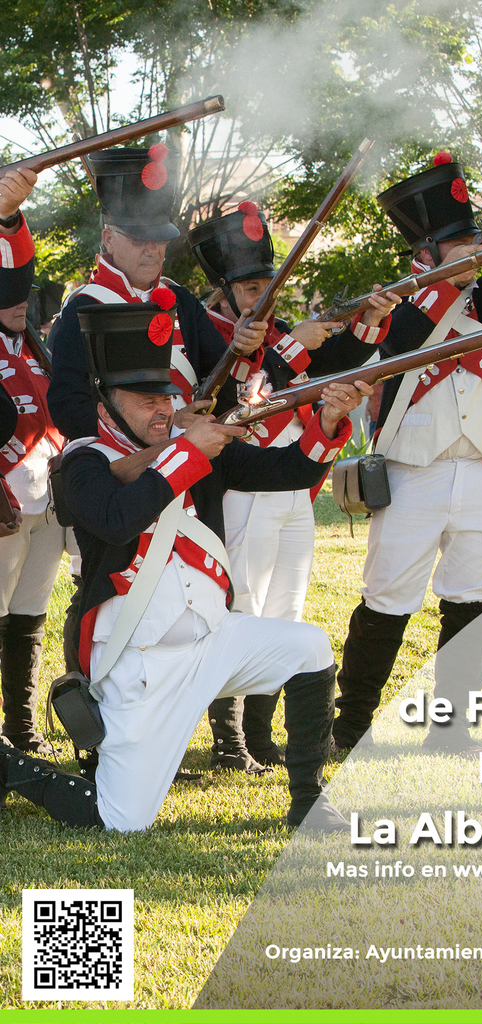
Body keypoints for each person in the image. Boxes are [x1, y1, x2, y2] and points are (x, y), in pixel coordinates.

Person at [1, 297, 372, 833]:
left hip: (212, 639)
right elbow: (114, 518)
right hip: (140, 664)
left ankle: (309, 803)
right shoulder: (83, 461)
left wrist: (329, 420)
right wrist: (187, 452)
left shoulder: (189, 447)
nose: (162, 409)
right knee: (119, 821)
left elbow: (286, 469)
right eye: (144, 398)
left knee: (310, 647)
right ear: (105, 402)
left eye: (168, 396)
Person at [332, 151, 482, 754]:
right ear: (428, 253)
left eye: (475, 240)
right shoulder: (399, 308)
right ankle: (352, 723)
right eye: (461, 242)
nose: (474, 250)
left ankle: (454, 728)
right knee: (388, 598)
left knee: (472, 597)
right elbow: (358, 355)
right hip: (417, 468)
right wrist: (438, 286)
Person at [46, 147, 267, 773]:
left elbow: (218, 388)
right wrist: (146, 451)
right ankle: (97, 741)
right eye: (140, 241)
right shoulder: (82, 307)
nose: (153, 251)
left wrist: (244, 351)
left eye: (160, 241)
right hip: (120, 478)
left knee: (200, 593)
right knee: (102, 597)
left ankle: (194, 735)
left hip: (190, 484)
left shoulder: (181, 301)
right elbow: (67, 407)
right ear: (110, 237)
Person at [187, 203, 400, 765]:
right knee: (243, 608)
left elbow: (348, 355)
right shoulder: (208, 336)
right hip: (240, 491)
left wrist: (372, 317)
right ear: (225, 291)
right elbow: (235, 401)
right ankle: (228, 738)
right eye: (252, 285)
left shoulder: (282, 333)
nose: (263, 296)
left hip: (293, 488)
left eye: (269, 284)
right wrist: (292, 347)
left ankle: (258, 735)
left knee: (284, 609)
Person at [0, 166, 65, 759]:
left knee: (30, 618)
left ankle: (21, 730)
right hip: (5, 504)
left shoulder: (37, 351)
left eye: (27, 297)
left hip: (47, 503)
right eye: (9, 295)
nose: (19, 304)